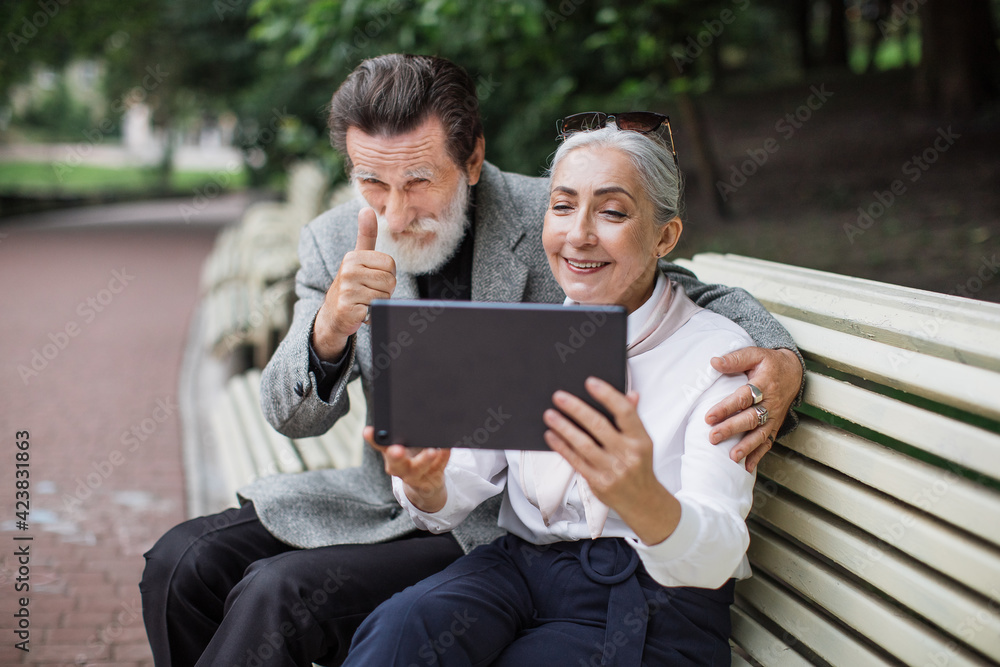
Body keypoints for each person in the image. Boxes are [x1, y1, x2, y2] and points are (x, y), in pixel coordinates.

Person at [140, 55, 803, 667]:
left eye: (419, 180)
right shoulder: (338, 239)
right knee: (181, 562)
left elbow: (670, 284)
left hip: (492, 531)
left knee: (277, 593)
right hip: (399, 492)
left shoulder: (557, 213)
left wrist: (781, 359)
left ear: (474, 158)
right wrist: (330, 326)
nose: (394, 212)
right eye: (372, 181)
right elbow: (290, 414)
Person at [344, 116, 752, 666]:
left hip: (651, 594)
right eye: (562, 206)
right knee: (397, 633)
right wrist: (427, 482)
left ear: (665, 236)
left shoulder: (718, 355)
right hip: (519, 567)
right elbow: (458, 480)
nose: (578, 234)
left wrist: (643, 499)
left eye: (611, 211)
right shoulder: (528, 335)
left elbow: (719, 551)